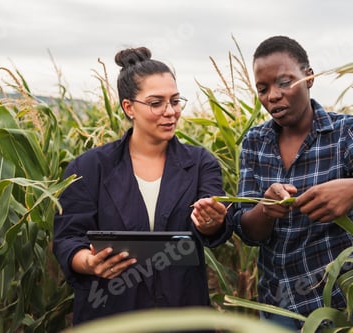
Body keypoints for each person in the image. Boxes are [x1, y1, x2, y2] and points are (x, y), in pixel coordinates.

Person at [232, 36, 353, 332]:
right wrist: (265, 210)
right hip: (278, 307)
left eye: (284, 83)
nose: (272, 96)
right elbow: (248, 231)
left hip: (347, 306)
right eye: (262, 89)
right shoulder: (254, 143)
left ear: (309, 77)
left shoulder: (349, 133)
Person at [53, 46, 231, 326]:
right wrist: (88, 261)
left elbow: (211, 227)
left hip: (182, 313)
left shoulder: (200, 163)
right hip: (111, 313)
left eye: (175, 101)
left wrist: (211, 221)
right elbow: (67, 239)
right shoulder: (88, 168)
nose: (170, 111)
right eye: (156, 103)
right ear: (129, 107)